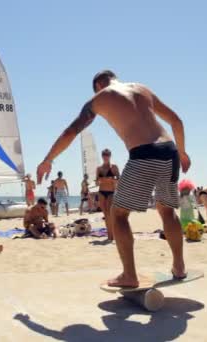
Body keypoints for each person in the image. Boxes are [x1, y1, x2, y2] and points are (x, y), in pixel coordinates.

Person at [36, 70, 191, 287]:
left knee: (117, 214)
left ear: (98, 85)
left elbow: (70, 132)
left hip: (144, 153)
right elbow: (176, 120)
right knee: (166, 210)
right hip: (169, 150)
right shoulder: (142, 89)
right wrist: (182, 153)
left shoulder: (99, 98)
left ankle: (129, 275)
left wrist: (48, 159)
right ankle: (180, 266)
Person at [95, 148, 120, 239]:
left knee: (109, 213)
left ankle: (111, 234)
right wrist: (100, 180)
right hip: (101, 192)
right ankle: (110, 235)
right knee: (105, 214)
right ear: (102, 156)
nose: (106, 156)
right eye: (104, 155)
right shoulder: (99, 168)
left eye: (107, 155)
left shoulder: (114, 167)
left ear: (110, 156)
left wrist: (112, 179)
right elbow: (96, 183)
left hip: (111, 192)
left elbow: (119, 179)